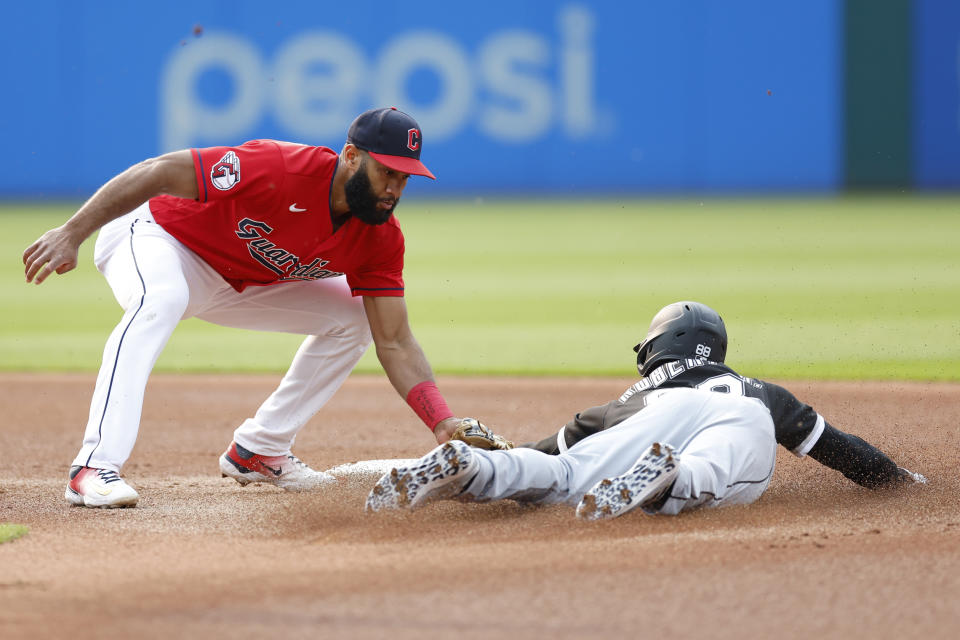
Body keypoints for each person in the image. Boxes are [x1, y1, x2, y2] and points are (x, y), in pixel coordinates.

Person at [23, 107, 474, 508]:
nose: (393, 188)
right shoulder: (280, 168)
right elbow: (159, 170)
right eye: (386, 172)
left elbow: (394, 341)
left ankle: (260, 449)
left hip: (236, 279)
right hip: (156, 235)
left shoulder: (380, 238)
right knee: (161, 299)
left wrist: (441, 420)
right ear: (352, 157)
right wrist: (71, 232)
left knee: (357, 320)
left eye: (403, 178)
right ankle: (91, 467)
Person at [365, 301, 926, 520]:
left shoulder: (623, 402)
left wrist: (502, 453)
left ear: (658, 348)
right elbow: (839, 449)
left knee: (560, 475)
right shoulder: (755, 391)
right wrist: (900, 480)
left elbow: (545, 452)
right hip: (737, 419)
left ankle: (471, 467)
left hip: (639, 429)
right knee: (715, 469)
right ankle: (669, 481)